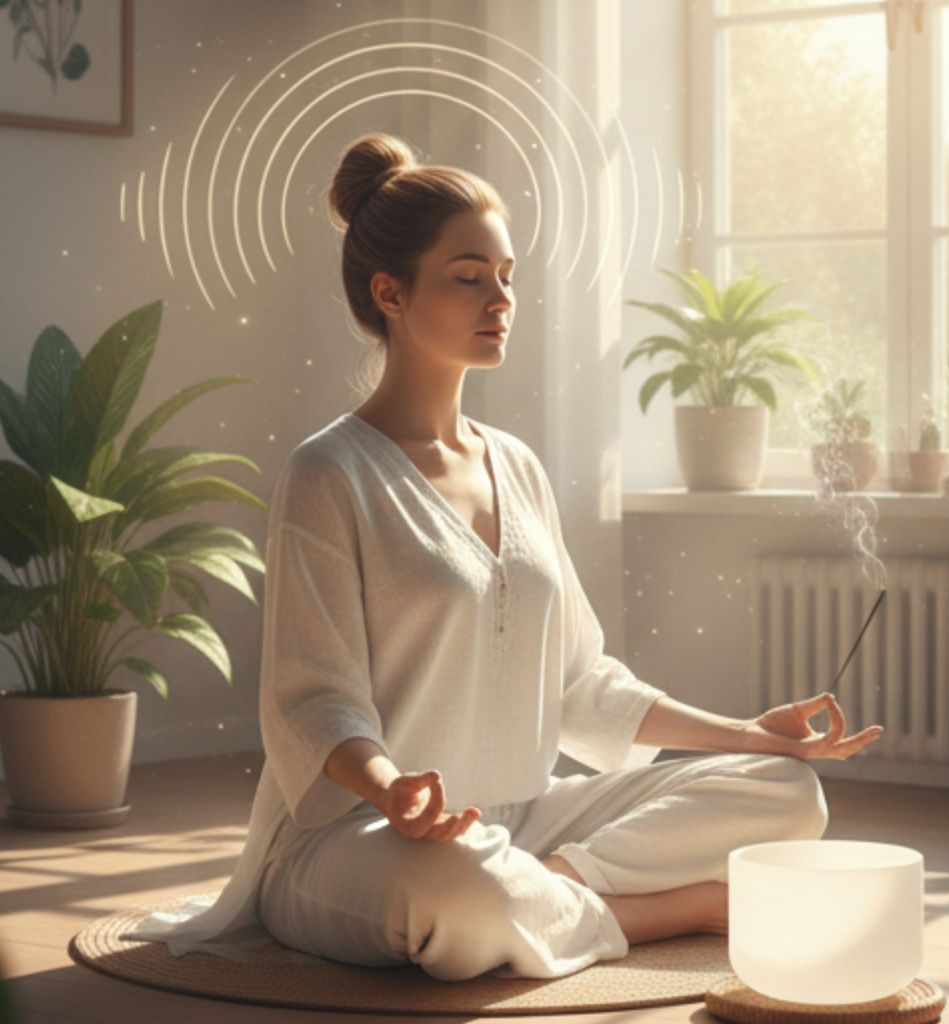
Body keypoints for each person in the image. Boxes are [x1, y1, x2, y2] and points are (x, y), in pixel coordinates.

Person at [125, 132, 884, 982]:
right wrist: (391, 790)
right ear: (391, 292)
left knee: (785, 794)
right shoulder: (328, 472)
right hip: (362, 840)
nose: (501, 298)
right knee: (461, 895)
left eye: (508, 276)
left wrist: (747, 733)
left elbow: (581, 684)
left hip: (524, 821)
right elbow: (314, 705)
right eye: (468, 275)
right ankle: (671, 907)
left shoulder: (516, 464)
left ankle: (555, 891)